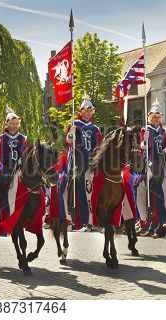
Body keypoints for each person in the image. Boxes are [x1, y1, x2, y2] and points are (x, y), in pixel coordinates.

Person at [58, 94, 103, 230]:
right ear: (81, 111)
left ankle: (98, 218)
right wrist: (70, 136)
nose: (88, 112)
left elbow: (99, 145)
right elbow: (67, 143)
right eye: (86, 109)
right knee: (71, 183)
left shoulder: (95, 128)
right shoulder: (74, 125)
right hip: (77, 160)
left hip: (91, 161)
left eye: (90, 110)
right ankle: (75, 217)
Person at [140, 101, 166, 236]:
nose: (156, 119)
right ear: (149, 117)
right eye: (154, 117)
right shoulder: (145, 130)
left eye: (158, 117)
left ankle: (162, 220)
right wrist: (145, 141)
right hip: (149, 160)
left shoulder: (163, 131)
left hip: (162, 160)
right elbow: (142, 146)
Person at [0, 111, 27, 223]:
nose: (15, 126)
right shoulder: (2, 138)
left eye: (17, 123)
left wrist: (22, 159)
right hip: (5, 167)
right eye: (13, 123)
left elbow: (25, 152)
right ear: (7, 124)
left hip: (20, 167)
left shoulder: (22, 138)